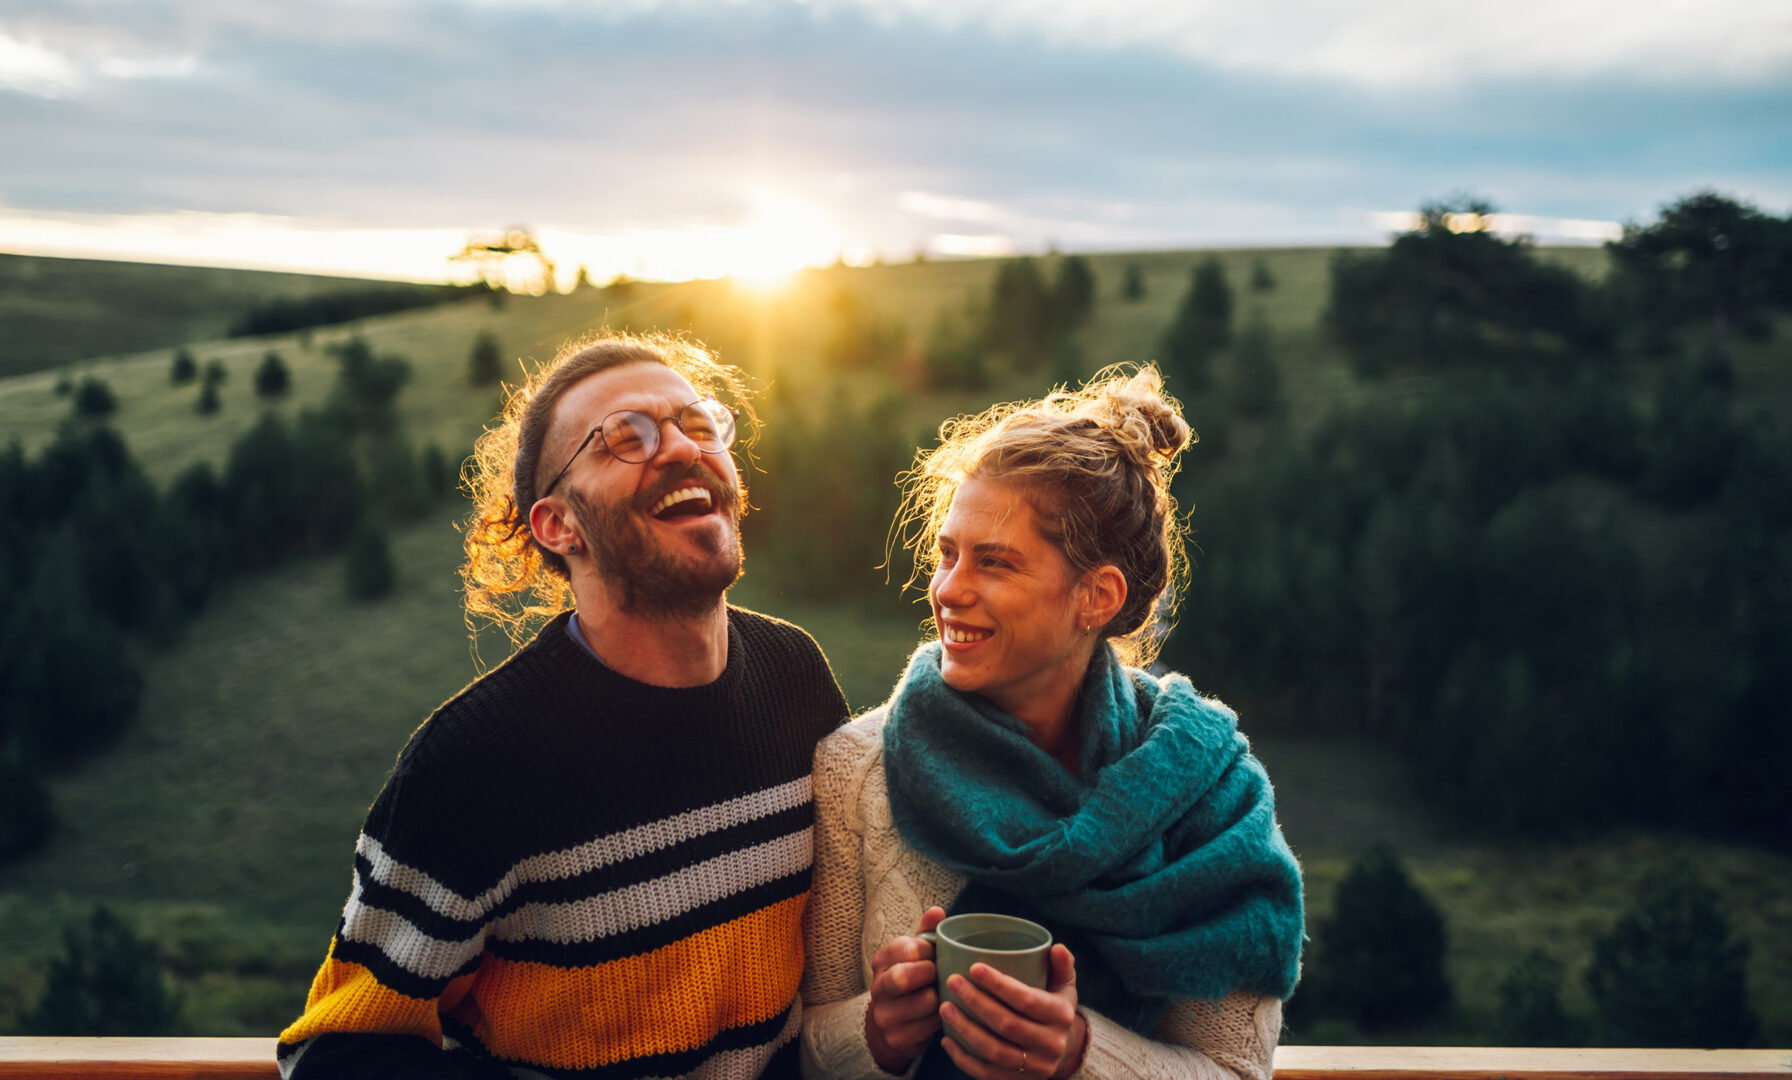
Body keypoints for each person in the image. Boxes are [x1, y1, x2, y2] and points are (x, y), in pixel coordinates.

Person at [278, 333, 850, 1080]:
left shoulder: (795, 677)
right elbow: (336, 1055)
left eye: (699, 424)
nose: (680, 448)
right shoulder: (473, 764)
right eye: (625, 438)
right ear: (558, 525)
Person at [799, 366, 1302, 1080]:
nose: (949, 590)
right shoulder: (857, 768)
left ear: (1096, 596)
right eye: (947, 554)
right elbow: (809, 1050)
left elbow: (1234, 1068)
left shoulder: (1214, 793)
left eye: (995, 564)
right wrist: (876, 1035)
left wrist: (1079, 1055)